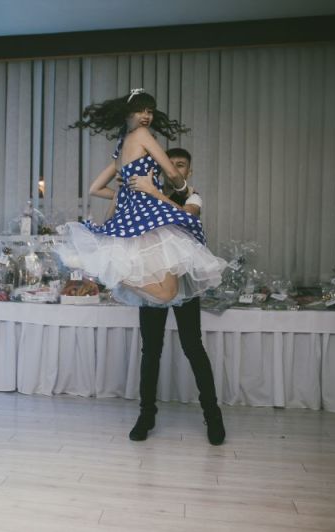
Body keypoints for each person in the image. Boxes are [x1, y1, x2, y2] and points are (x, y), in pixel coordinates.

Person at [63, 89, 225, 307]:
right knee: (168, 292)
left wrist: (127, 192)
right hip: (146, 219)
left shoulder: (121, 147)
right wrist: (185, 190)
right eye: (140, 110)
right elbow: (172, 173)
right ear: (127, 113)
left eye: (149, 111)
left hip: (136, 218)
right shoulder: (141, 134)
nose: (146, 115)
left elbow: (95, 188)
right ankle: (105, 270)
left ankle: (107, 272)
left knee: (168, 293)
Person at [108, 149, 225, 445]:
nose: (174, 169)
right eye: (169, 164)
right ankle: (146, 416)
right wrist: (124, 192)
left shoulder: (193, 196)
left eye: (180, 165)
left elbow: (186, 217)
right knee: (151, 350)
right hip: (154, 278)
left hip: (182, 281)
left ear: (188, 171)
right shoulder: (147, 194)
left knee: (193, 347)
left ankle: (213, 416)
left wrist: (151, 192)